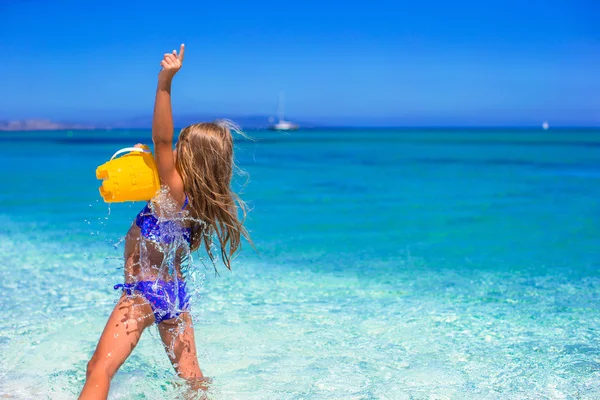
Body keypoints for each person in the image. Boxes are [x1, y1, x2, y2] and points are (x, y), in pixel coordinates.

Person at [79, 44, 250, 399]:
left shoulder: (174, 188)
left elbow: (161, 137)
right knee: (192, 379)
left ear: (191, 156)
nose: (171, 153)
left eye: (180, 148)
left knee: (99, 369)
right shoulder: (193, 200)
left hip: (143, 292)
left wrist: (164, 82)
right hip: (174, 294)